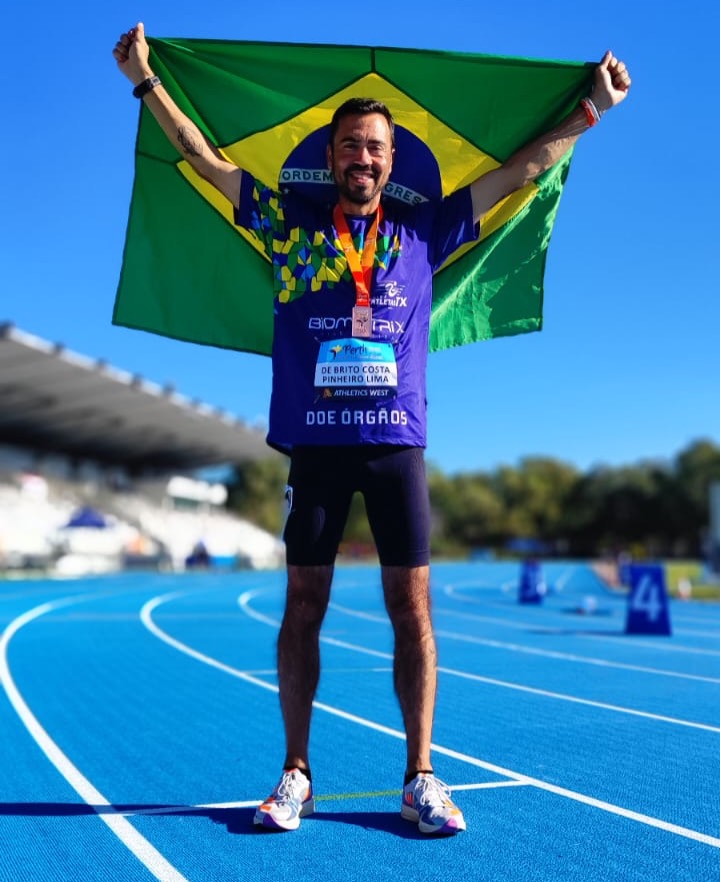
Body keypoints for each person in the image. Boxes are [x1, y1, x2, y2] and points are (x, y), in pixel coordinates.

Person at [113, 24, 631, 835]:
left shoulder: (425, 232)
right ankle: (295, 775)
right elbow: (206, 158)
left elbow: (518, 173)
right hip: (315, 442)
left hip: (396, 444)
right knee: (303, 606)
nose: (364, 158)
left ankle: (420, 776)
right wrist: (146, 83)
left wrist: (589, 111)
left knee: (411, 609)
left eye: (377, 148)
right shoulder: (289, 222)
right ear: (333, 154)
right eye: (352, 145)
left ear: (392, 160)